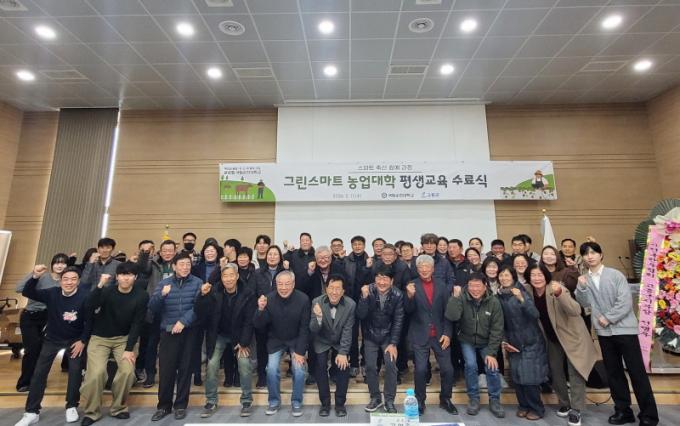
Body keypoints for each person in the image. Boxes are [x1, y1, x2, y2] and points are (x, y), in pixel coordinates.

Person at [575, 242, 658, 426]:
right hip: (604, 334)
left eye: (593, 252)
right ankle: (623, 411)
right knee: (614, 374)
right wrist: (581, 287)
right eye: (586, 254)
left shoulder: (615, 275)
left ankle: (649, 415)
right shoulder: (584, 279)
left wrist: (608, 318)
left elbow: (625, 302)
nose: (590, 256)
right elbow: (583, 302)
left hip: (625, 331)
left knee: (637, 372)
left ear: (601, 255)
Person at [15, 266, 90, 426]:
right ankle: (31, 411)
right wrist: (35, 277)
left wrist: (83, 340)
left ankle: (71, 406)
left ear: (78, 281)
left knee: (75, 372)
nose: (69, 282)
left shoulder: (85, 296)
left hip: (75, 340)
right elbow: (27, 292)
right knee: (39, 373)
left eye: (73, 279)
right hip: (52, 339)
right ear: (60, 281)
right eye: (65, 279)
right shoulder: (52, 293)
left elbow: (90, 321)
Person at [80, 262, 149, 425]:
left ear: (135, 277)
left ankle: (118, 408)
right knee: (96, 373)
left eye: (130, 275)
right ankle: (91, 412)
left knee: (127, 371)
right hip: (100, 338)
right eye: (123, 274)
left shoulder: (142, 295)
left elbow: (137, 323)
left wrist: (129, 349)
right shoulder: (106, 291)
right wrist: (100, 285)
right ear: (117, 277)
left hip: (124, 339)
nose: (126, 278)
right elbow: (89, 306)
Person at [528, 264, 597, 426]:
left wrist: (560, 294)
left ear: (546, 276)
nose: (537, 278)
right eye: (533, 275)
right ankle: (565, 403)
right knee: (555, 371)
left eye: (540, 275)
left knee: (576, 372)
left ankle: (576, 409)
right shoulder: (529, 292)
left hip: (572, 336)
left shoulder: (556, 288)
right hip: (552, 338)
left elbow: (575, 310)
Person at [195, 263, 256, 418]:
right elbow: (200, 313)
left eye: (231, 275)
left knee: (244, 364)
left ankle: (247, 401)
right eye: (225, 276)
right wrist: (202, 296)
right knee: (212, 365)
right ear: (221, 278)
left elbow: (249, 321)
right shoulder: (213, 291)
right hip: (219, 335)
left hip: (239, 337)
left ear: (237, 276)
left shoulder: (248, 293)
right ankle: (211, 400)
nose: (228, 279)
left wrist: (243, 342)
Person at [148, 252, 202, 421]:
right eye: (182, 264)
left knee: (185, 369)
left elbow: (198, 307)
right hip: (168, 332)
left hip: (189, 331)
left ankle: (180, 405)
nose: (185, 267)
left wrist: (183, 322)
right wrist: (161, 295)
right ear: (174, 266)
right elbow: (153, 307)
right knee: (166, 370)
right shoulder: (164, 283)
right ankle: (164, 406)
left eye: (188, 264)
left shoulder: (197, 282)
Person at [446, 272, 505, 419]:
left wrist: (492, 353)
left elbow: (497, 329)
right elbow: (452, 316)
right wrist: (455, 297)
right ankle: (474, 398)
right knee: (471, 365)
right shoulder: (462, 297)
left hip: (487, 341)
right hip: (467, 339)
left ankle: (495, 400)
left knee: (492, 367)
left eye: (478, 286)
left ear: (485, 286)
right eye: (471, 286)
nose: (475, 289)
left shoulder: (493, 302)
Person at [405, 255, 458, 416]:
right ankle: (420, 401)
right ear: (417, 269)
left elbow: (447, 312)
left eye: (427, 266)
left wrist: (448, 334)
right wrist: (409, 297)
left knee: (448, 369)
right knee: (420, 370)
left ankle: (445, 399)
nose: (424, 269)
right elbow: (408, 311)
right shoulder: (412, 285)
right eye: (421, 267)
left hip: (440, 335)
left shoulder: (441, 285)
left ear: (433, 269)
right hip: (420, 334)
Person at [253, 270, 310, 417]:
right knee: (271, 369)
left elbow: (305, 328)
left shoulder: (303, 299)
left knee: (299, 370)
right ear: (276, 284)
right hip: (276, 339)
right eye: (280, 284)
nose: (283, 288)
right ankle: (274, 401)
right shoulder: (269, 298)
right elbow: (259, 325)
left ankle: (296, 401)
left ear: (293, 284)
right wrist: (260, 309)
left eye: (287, 284)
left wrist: (300, 352)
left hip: (296, 340)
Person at [496, 265, 548, 421]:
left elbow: (535, 314)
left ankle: (537, 408)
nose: (504, 278)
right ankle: (523, 406)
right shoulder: (499, 296)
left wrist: (521, 299)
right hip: (513, 342)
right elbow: (501, 322)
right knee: (517, 377)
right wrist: (504, 341)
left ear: (513, 277)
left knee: (530, 378)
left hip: (531, 341)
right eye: (501, 275)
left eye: (507, 275)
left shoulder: (522, 291)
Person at [15, 253, 68, 392]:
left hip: (49, 318)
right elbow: (19, 288)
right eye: (57, 262)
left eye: (63, 263)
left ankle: (38, 380)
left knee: (43, 352)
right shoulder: (42, 276)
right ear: (52, 264)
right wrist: (34, 274)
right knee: (32, 349)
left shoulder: (66, 281)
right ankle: (24, 382)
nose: (60, 265)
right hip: (31, 316)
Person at [356, 265, 404, 414]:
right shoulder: (368, 290)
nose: (381, 282)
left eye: (385, 279)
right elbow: (360, 314)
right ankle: (375, 398)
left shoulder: (398, 294)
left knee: (390, 365)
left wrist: (393, 343)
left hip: (388, 336)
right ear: (374, 279)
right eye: (379, 278)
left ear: (391, 280)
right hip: (370, 334)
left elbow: (398, 320)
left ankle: (389, 400)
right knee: (370, 367)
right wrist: (364, 298)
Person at [309, 275, 355, 417]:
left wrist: (343, 352)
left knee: (343, 366)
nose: (334, 292)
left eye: (338, 289)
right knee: (320, 364)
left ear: (343, 291)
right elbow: (313, 329)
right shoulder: (317, 302)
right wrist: (318, 317)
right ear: (326, 289)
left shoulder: (350, 305)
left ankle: (340, 403)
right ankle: (325, 403)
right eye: (331, 288)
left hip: (340, 340)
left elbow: (348, 330)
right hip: (322, 340)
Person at [140, 239, 177, 388]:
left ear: (175, 252)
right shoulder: (153, 264)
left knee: (171, 346)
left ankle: (170, 374)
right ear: (160, 252)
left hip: (173, 310)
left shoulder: (179, 265)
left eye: (170, 251)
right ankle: (150, 374)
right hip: (155, 309)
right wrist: (145, 253)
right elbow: (143, 268)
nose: (167, 253)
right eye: (165, 251)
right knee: (151, 344)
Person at [252, 245, 286, 388]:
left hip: (280, 316)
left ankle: (273, 373)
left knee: (276, 346)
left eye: (275, 254)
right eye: (270, 254)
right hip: (262, 314)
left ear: (280, 257)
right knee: (261, 347)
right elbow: (252, 292)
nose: (272, 257)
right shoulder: (258, 273)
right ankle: (262, 376)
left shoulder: (286, 273)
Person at [342, 235, 373, 377]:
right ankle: (353, 363)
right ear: (352, 246)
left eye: (360, 244)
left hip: (366, 301)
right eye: (355, 244)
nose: (357, 246)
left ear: (364, 245)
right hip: (350, 301)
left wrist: (367, 268)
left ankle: (365, 363)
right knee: (352, 334)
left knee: (367, 333)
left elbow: (369, 280)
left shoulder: (370, 261)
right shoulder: (346, 261)